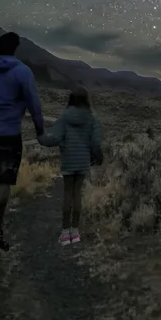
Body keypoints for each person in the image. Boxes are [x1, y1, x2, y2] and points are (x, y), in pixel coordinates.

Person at [0, 31, 44, 251]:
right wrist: (40, 131)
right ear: (15, 48)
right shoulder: (22, 72)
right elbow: (34, 105)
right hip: (9, 135)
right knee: (3, 181)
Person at [37, 85, 103, 246]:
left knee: (67, 194)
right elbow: (95, 142)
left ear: (71, 100)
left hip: (68, 161)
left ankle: (65, 233)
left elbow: (54, 139)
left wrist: (40, 137)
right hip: (83, 162)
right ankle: (75, 232)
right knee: (77, 194)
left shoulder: (64, 118)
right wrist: (98, 157)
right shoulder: (92, 119)